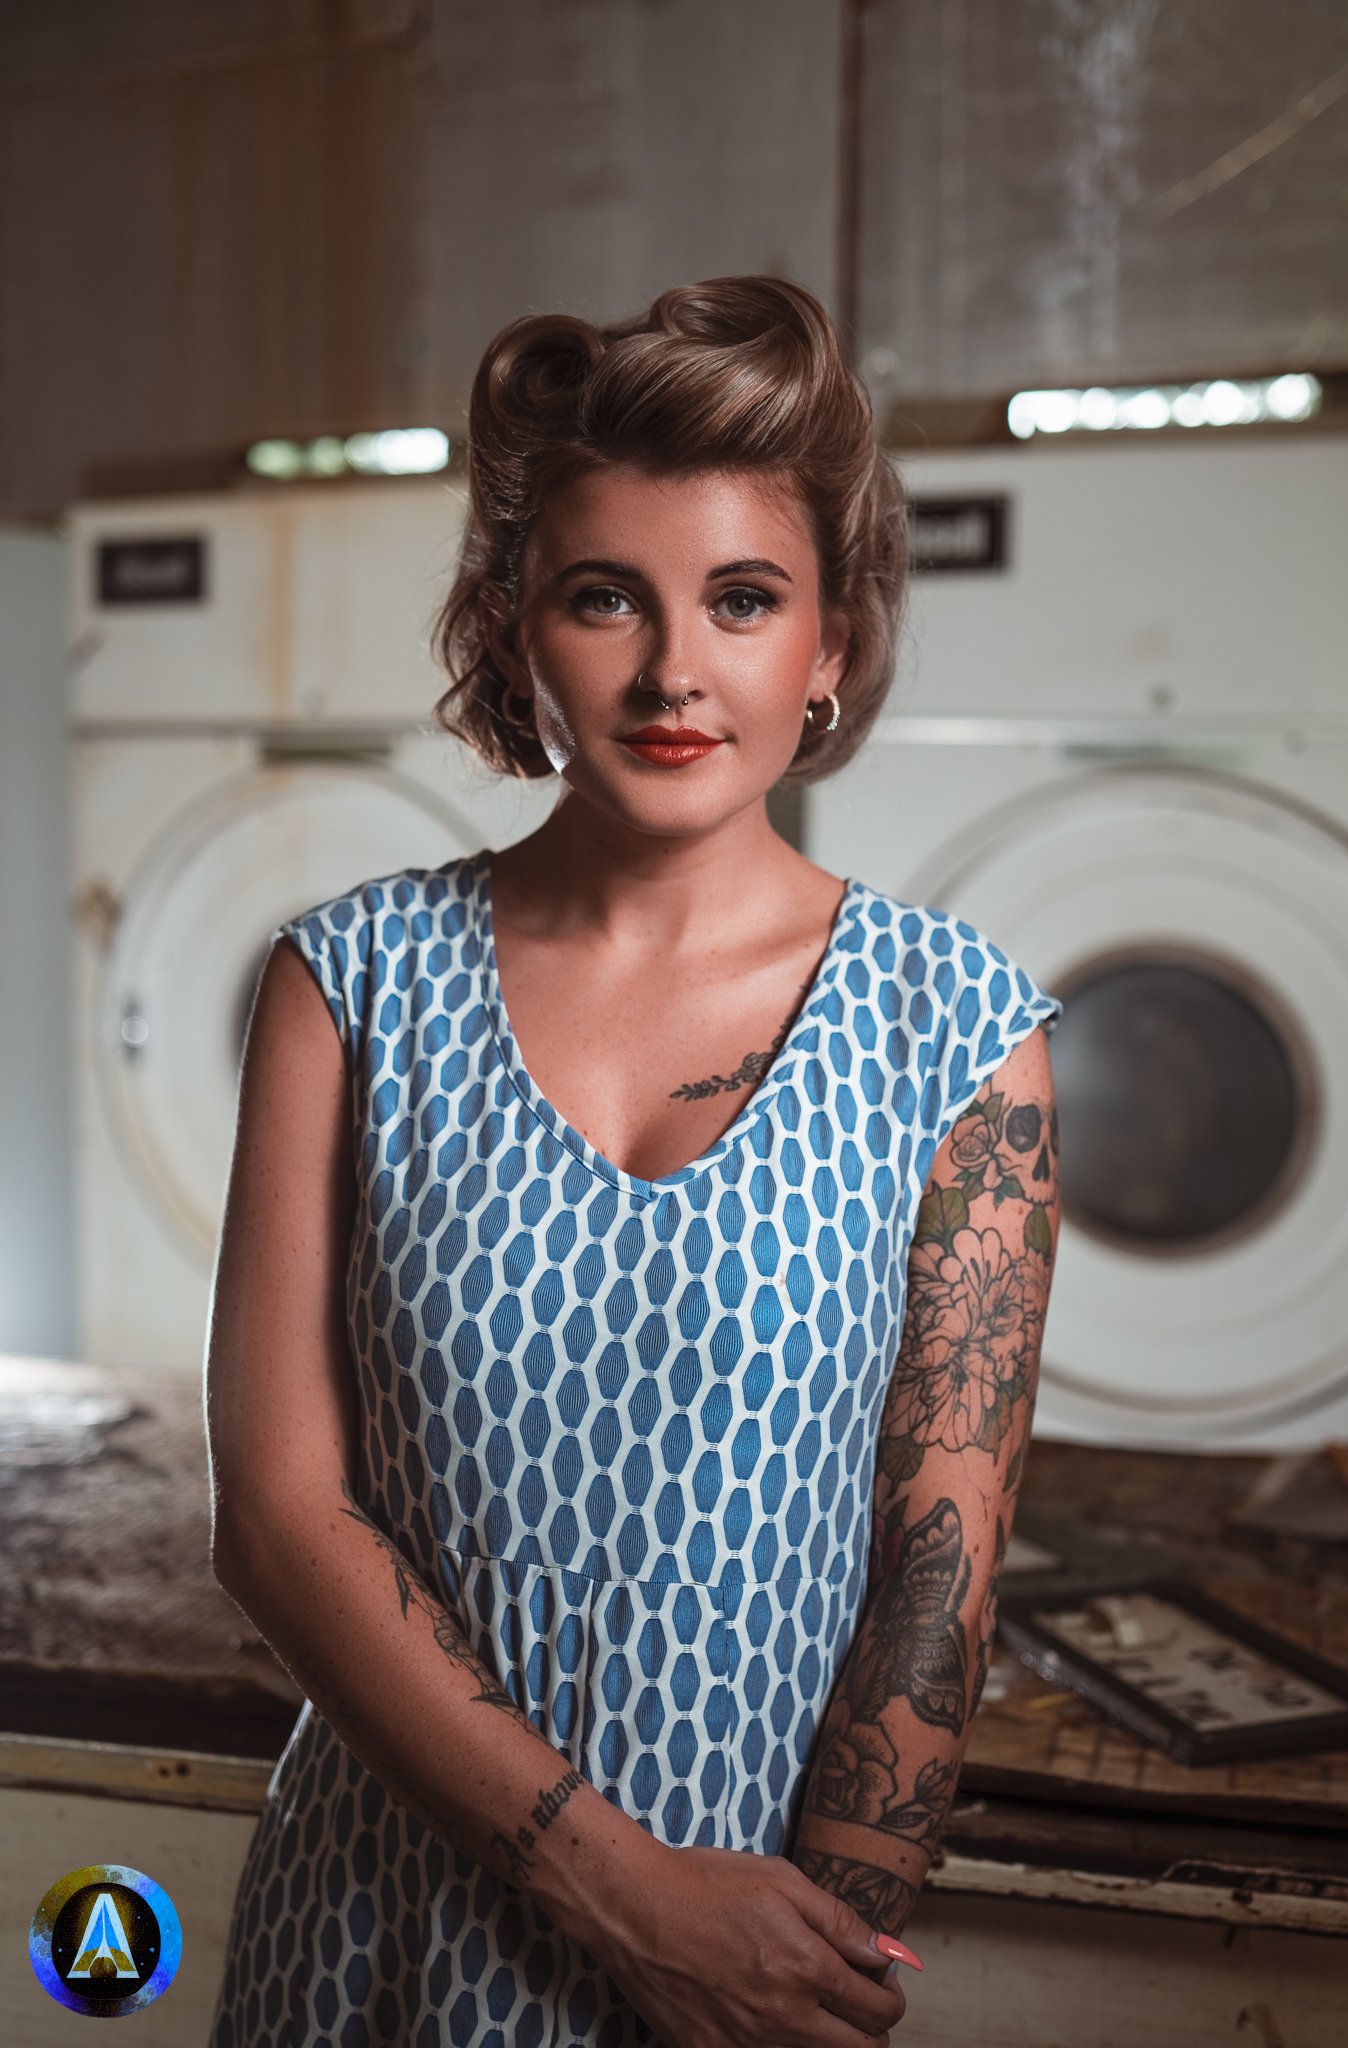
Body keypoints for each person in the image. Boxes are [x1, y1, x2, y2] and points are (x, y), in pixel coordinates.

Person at [206, 274, 1063, 2048]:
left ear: (826, 647)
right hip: (368, 1932)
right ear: (518, 626)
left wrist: (797, 1971)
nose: (676, 670)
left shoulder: (959, 1033)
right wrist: (613, 1884)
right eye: (608, 597)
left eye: (742, 602)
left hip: (755, 1972)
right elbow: (279, 1523)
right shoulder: (348, 985)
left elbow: (934, 1578)